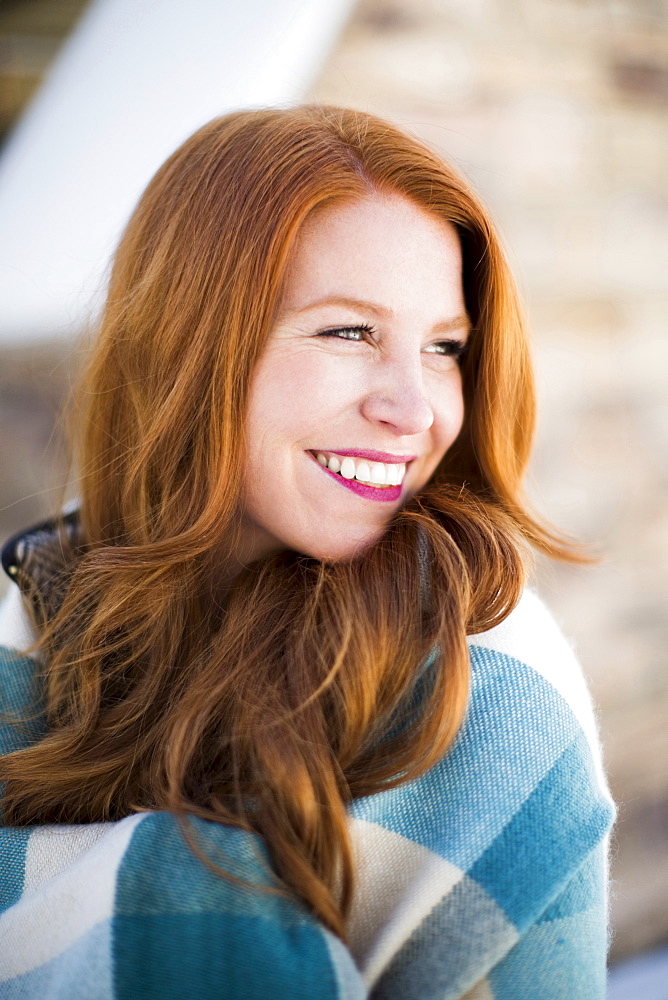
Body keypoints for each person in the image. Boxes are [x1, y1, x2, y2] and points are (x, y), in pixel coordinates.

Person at [0, 106, 614, 999]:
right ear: (185, 341)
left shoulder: (482, 685)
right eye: (349, 332)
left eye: (444, 348)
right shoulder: (32, 599)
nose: (415, 409)